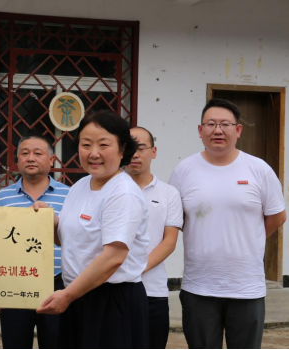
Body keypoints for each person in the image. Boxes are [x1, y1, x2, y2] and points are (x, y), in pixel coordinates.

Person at [169, 98, 287, 349]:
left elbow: (277, 216)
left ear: (238, 130)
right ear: (200, 130)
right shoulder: (184, 170)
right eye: (211, 124)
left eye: (225, 124)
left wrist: (249, 237)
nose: (218, 130)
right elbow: (175, 219)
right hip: (199, 286)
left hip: (246, 287)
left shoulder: (259, 169)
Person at [36, 110, 150, 349]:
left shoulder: (123, 193)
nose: (93, 153)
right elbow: (66, 240)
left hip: (111, 300)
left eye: (104, 145)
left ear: (122, 149)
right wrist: (50, 220)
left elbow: (113, 257)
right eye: (86, 144)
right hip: (78, 295)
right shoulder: (80, 186)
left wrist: (67, 295)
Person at [0, 135, 70, 350]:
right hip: (14, 284)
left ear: (51, 159)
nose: (31, 158)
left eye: (38, 153)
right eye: (25, 153)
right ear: (17, 160)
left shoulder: (70, 195)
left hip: (58, 284)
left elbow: (76, 239)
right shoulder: (2, 197)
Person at [125, 127, 183, 350]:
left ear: (154, 151)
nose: (135, 154)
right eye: (129, 148)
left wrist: (135, 269)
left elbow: (169, 242)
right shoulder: (109, 189)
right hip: (112, 288)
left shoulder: (169, 193)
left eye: (141, 148)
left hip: (152, 291)